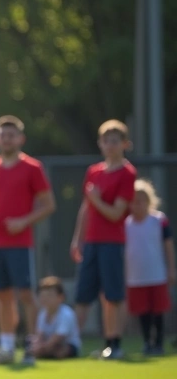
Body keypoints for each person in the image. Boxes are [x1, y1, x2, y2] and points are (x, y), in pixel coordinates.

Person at [0, 115, 55, 366]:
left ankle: (32, 347)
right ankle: (7, 348)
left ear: (21, 138)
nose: (7, 139)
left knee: (25, 295)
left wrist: (24, 221)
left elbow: (48, 205)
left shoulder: (33, 168)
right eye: (3, 135)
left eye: (11, 135)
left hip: (20, 244)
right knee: (2, 296)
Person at [69, 120, 137, 360]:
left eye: (115, 141)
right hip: (91, 242)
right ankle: (71, 344)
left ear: (125, 144)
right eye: (106, 141)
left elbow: (116, 213)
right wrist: (78, 239)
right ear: (100, 144)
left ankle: (114, 343)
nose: (110, 145)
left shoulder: (127, 173)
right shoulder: (94, 171)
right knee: (83, 294)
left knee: (113, 295)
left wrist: (96, 200)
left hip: (112, 242)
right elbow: (86, 208)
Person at [125, 178, 175, 356]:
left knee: (158, 311)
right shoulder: (126, 223)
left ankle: (159, 342)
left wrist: (171, 268)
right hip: (135, 275)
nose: (136, 205)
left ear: (148, 201)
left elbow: (168, 246)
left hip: (156, 273)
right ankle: (147, 342)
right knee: (142, 312)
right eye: (133, 201)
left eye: (140, 201)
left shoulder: (159, 220)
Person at [31, 277, 80, 360]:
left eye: (49, 295)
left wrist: (43, 348)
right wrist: (37, 345)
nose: (45, 299)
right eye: (42, 295)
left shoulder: (66, 313)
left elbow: (59, 336)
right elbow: (40, 334)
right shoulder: (42, 314)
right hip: (48, 343)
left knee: (60, 351)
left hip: (66, 344)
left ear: (60, 297)